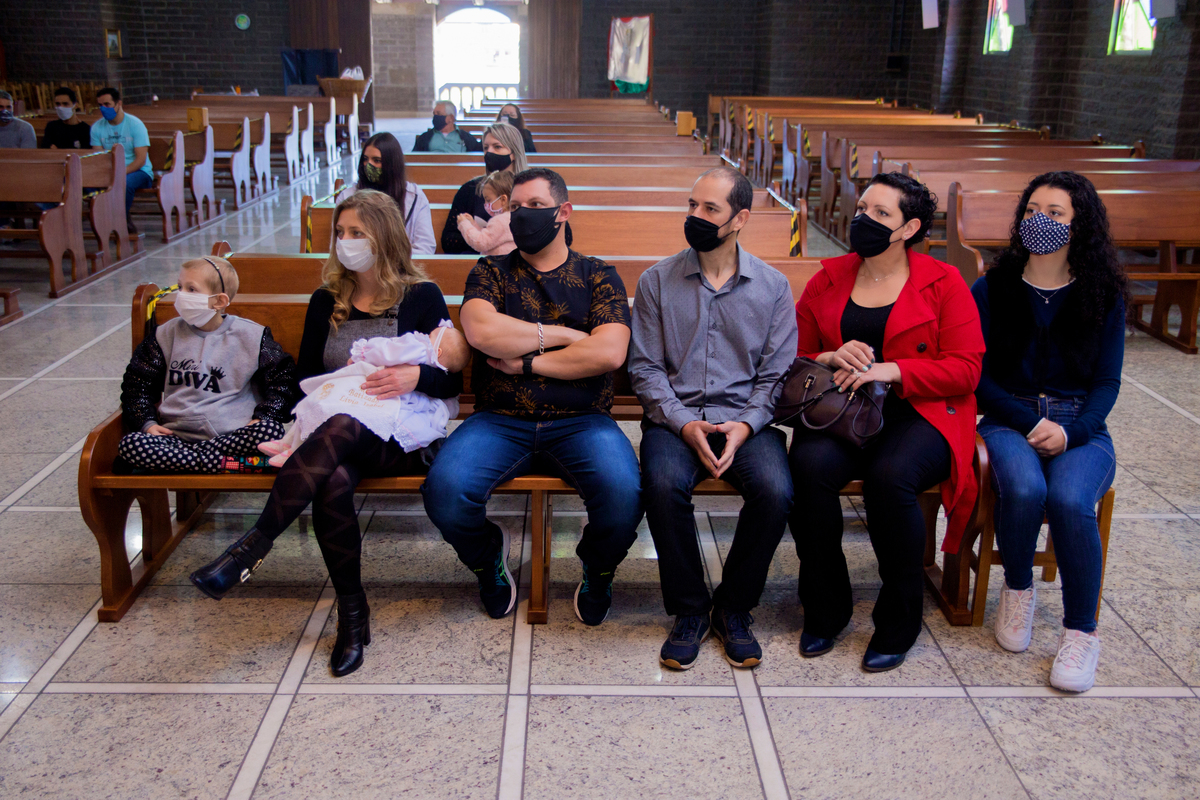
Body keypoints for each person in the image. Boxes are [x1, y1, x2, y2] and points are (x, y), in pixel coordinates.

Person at [190, 190, 470, 678]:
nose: (346, 242)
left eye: (357, 233)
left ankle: (252, 547)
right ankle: (352, 616)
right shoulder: (326, 301)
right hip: (337, 434)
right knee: (334, 481)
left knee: (340, 431)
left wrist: (413, 377)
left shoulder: (420, 296)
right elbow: (305, 375)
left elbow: (450, 377)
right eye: (340, 233)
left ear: (383, 237)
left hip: (400, 436)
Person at [422, 168, 643, 626]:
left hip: (583, 420)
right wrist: (564, 335)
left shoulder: (598, 275)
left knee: (623, 497)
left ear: (563, 212)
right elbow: (482, 331)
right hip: (500, 419)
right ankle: (488, 560)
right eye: (515, 207)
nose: (523, 216)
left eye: (535, 206)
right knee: (444, 491)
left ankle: (598, 568)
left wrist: (526, 361)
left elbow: (608, 351)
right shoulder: (490, 271)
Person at [788, 172, 984, 673]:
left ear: (908, 227)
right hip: (845, 410)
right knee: (807, 469)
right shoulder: (829, 276)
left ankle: (899, 622)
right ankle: (826, 609)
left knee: (890, 478)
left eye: (880, 214)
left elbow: (967, 367)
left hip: (920, 412)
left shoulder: (943, 282)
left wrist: (894, 369)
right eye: (862, 209)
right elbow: (791, 352)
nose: (863, 220)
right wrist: (831, 354)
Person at [629, 167, 797, 671]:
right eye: (691, 205)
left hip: (746, 419)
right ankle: (689, 610)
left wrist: (745, 426)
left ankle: (734, 607)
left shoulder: (772, 287)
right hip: (676, 419)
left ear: (740, 219)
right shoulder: (658, 280)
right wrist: (683, 424)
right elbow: (645, 367)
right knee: (660, 484)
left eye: (709, 209)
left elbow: (775, 376)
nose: (694, 217)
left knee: (776, 491)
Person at [973, 172, 1127, 693]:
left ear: (1079, 224)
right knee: (1023, 487)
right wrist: (1029, 422)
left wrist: (1073, 432)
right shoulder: (993, 287)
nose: (1040, 220)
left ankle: (1082, 632)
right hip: (1009, 414)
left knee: (1067, 500)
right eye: (1033, 209)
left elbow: (1107, 382)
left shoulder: (1102, 293)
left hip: (1082, 423)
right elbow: (977, 376)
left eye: (1056, 213)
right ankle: (1017, 589)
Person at [117, 257, 297, 473]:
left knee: (270, 431)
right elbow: (137, 384)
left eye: (191, 290)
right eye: (180, 287)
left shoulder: (252, 336)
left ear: (219, 301)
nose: (181, 295)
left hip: (232, 436)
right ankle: (220, 464)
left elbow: (283, 381)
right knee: (131, 445)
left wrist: (263, 416)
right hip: (175, 438)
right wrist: (146, 422)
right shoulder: (164, 334)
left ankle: (192, 462)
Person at [440, 123, 528, 254]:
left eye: (497, 147)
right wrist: (482, 237)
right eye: (486, 148)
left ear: (514, 153)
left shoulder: (531, 188)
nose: (489, 152)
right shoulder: (470, 189)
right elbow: (448, 241)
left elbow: (561, 235)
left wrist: (494, 238)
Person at [345, 132, 435, 255]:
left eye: (377, 160)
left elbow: (425, 247)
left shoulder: (414, 196)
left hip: (401, 269)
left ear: (391, 164)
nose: (369, 165)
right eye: (365, 159)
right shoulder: (349, 196)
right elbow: (338, 245)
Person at [90, 87, 154, 232]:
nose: (103, 108)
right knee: (89, 185)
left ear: (118, 104)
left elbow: (141, 159)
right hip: (110, 172)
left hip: (139, 171)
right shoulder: (97, 128)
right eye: (100, 105)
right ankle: (101, 223)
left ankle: (120, 223)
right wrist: (110, 174)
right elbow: (98, 157)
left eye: (107, 104)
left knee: (125, 184)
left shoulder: (135, 125)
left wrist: (120, 173)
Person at [455, 169, 515, 256]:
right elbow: (491, 238)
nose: (485, 204)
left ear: (503, 200)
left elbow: (481, 243)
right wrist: (473, 224)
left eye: (488, 200)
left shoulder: (500, 221)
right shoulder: (513, 217)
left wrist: (464, 225)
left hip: (496, 266)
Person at [412, 101, 482, 153]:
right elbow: (414, 158)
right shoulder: (424, 138)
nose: (435, 117)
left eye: (438, 114)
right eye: (434, 114)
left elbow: (477, 156)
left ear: (451, 118)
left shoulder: (466, 138)